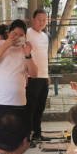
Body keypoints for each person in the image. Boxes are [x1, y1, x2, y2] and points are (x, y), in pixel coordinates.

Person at [0, 19, 37, 138]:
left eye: (21, 35)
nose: (17, 37)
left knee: (17, 138)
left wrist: (28, 55)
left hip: (19, 102)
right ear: (8, 33)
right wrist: (7, 44)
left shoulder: (26, 50)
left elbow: (34, 74)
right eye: (15, 34)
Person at [26, 8, 50, 141]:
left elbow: (44, 56)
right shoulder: (28, 33)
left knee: (40, 107)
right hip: (32, 76)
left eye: (44, 20)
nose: (42, 22)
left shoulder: (45, 36)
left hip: (43, 76)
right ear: (33, 19)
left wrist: (47, 75)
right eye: (39, 20)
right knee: (30, 107)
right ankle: (27, 135)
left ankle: (37, 133)